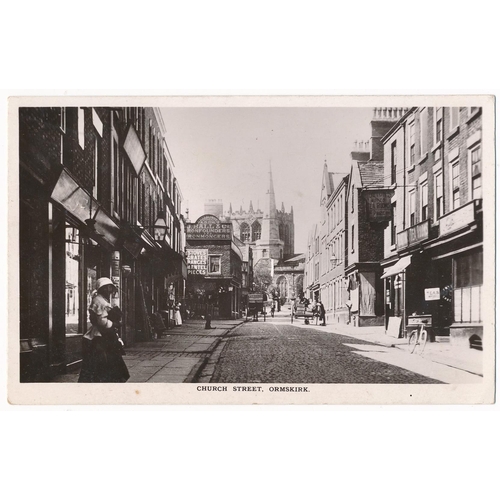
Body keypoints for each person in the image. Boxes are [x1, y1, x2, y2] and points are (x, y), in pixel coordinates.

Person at [78, 277, 129, 383]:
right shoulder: (101, 301)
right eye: (106, 288)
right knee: (105, 360)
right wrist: (114, 323)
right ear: (101, 289)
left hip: (102, 333)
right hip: (101, 335)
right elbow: (102, 321)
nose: (109, 290)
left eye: (110, 288)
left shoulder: (101, 299)